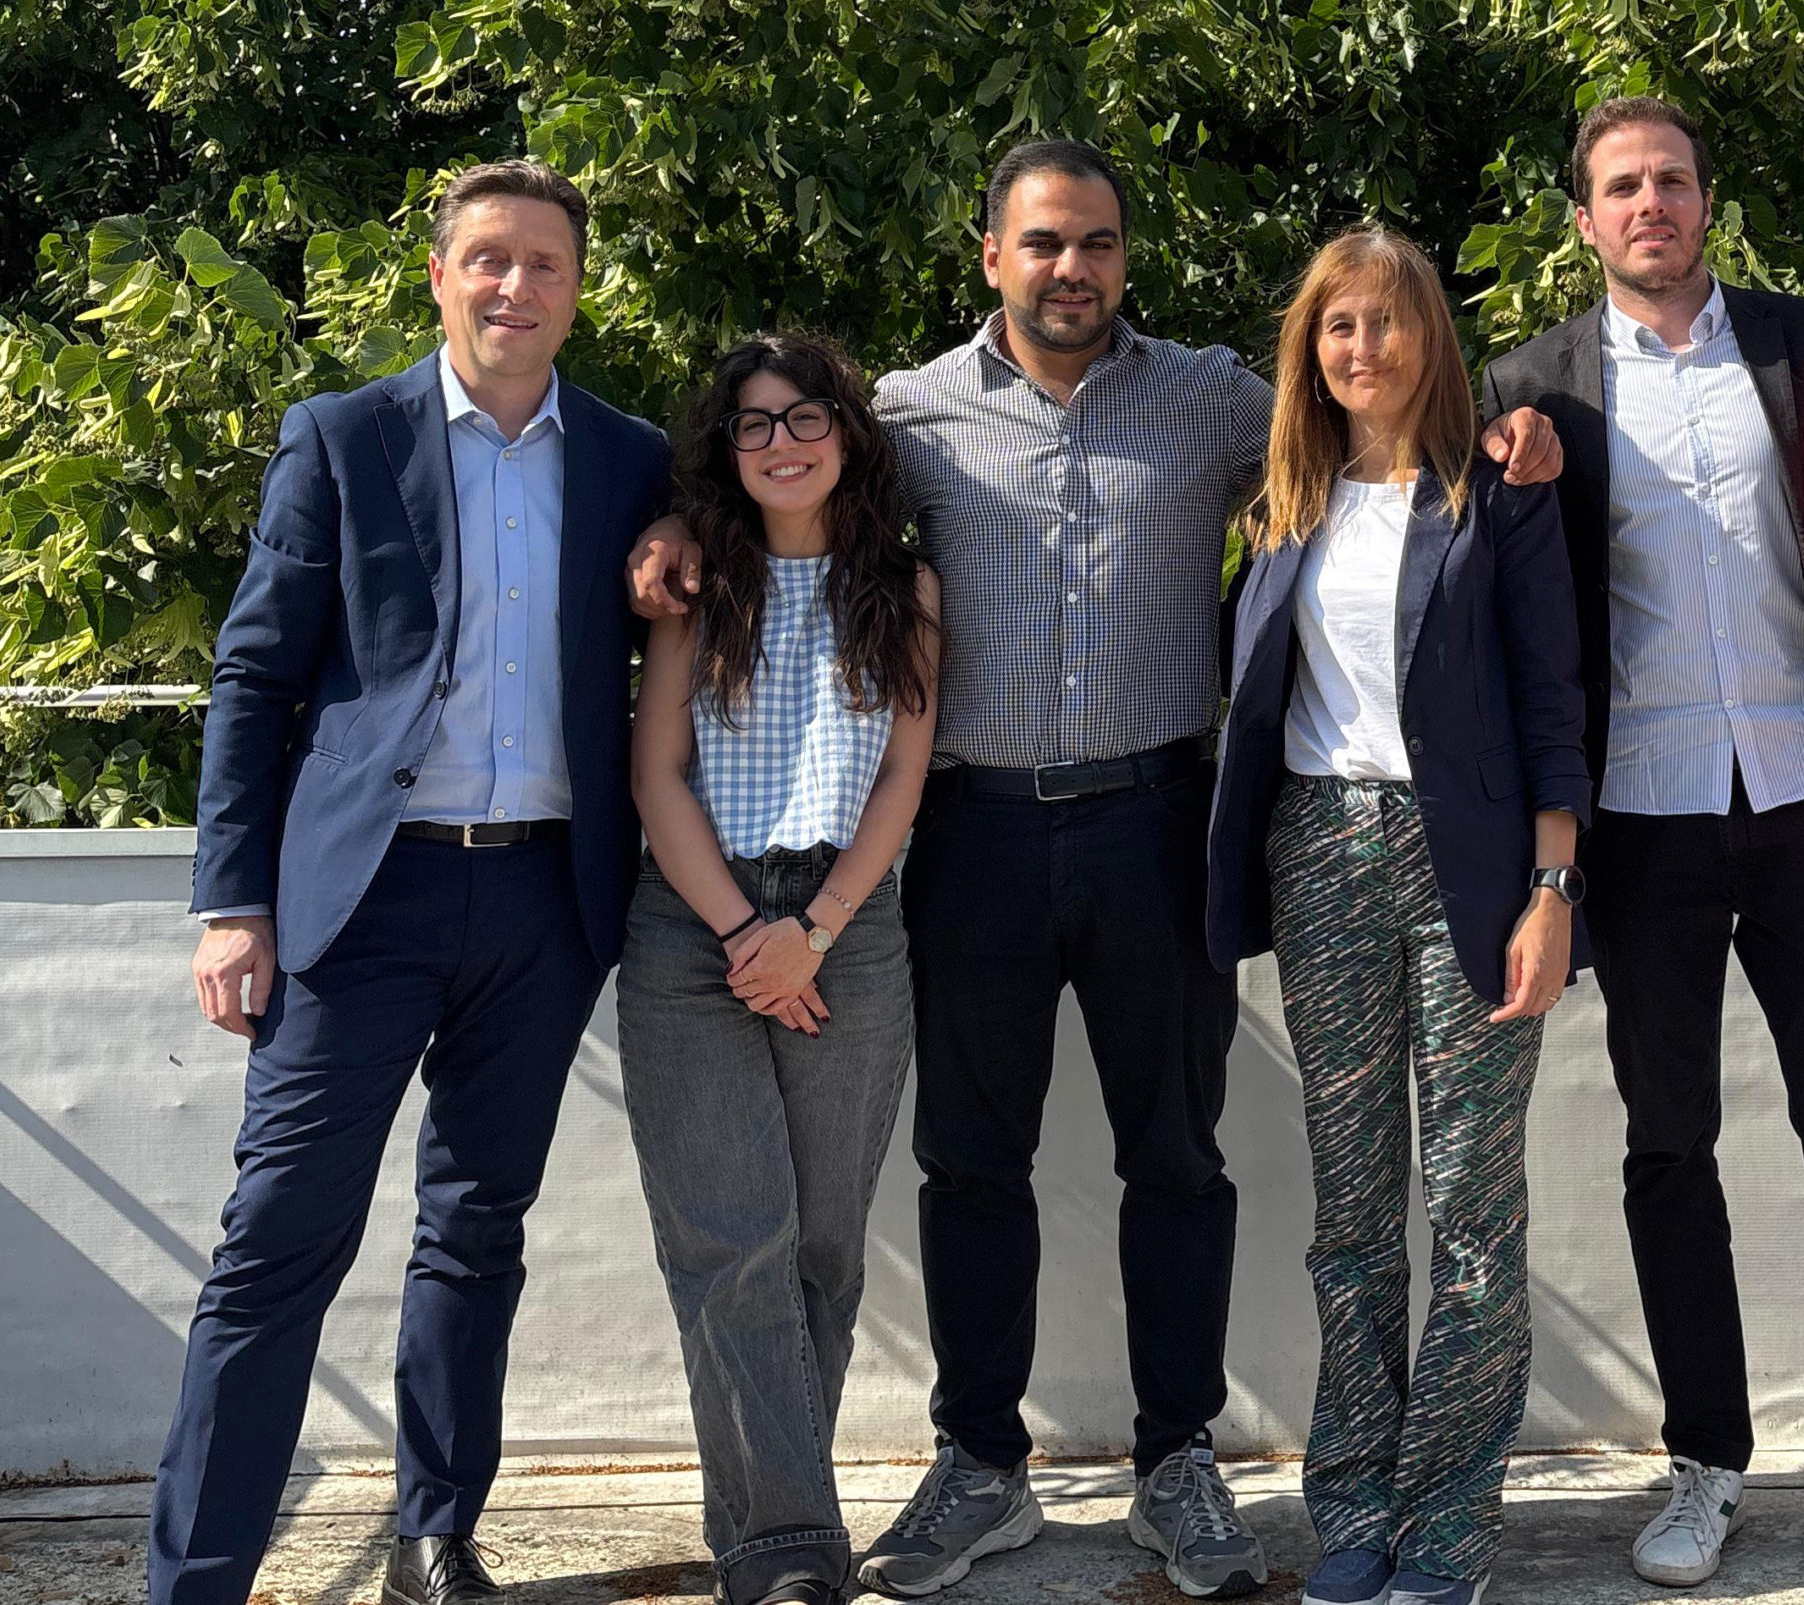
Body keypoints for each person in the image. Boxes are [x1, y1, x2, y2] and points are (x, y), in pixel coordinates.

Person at [626, 140, 1564, 1601]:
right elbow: (781, 473)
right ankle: (979, 1464)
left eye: (1099, 244)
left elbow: (1373, 410)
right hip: (975, 833)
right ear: (992, 254)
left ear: (1125, 259)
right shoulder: (909, 412)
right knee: (970, 1161)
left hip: (1157, 822)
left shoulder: (1212, 401)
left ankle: (1177, 1460)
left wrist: (1509, 424)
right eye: (1046, 242)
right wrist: (676, 526)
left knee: (1176, 1157)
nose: (1074, 269)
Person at [164, 160, 673, 1605]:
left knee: (476, 1231)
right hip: (357, 904)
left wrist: (682, 544)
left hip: (543, 904)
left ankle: (435, 1533)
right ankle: (197, 1577)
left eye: (546, 263)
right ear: (440, 277)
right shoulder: (343, 436)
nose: (517, 286)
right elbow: (255, 677)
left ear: (579, 287)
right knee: (276, 1243)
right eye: (489, 260)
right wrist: (232, 902)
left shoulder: (632, 460)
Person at [1479, 97, 1804, 1601]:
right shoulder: (1532, 384)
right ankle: (1706, 1462)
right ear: (1585, 219)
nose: (1650, 204)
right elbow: (1510, 611)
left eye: (1671, 179)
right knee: (1667, 1147)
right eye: (1622, 186)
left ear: (1708, 199)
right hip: (1641, 815)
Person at [1204, 226, 1590, 1605]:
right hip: (1321, 855)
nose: (1362, 347)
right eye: (1338, 326)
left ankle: (1449, 1525)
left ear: (1431, 335)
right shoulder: (1280, 508)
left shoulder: (1497, 494)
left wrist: (1552, 889)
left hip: (1470, 867)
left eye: (1387, 320)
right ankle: (1355, 1506)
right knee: (1353, 1211)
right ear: (1310, 350)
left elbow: (1552, 700)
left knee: (1474, 1206)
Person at [618, 333, 940, 1605]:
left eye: (805, 417)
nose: (781, 442)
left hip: (848, 930)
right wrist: (744, 935)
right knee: (727, 1244)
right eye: (752, 424)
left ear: (847, 435)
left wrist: (814, 930)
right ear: (727, 449)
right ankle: (788, 1549)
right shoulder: (700, 585)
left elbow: (903, 774)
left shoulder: (904, 588)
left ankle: (771, 1530)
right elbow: (657, 776)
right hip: (694, 927)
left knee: (821, 1250)